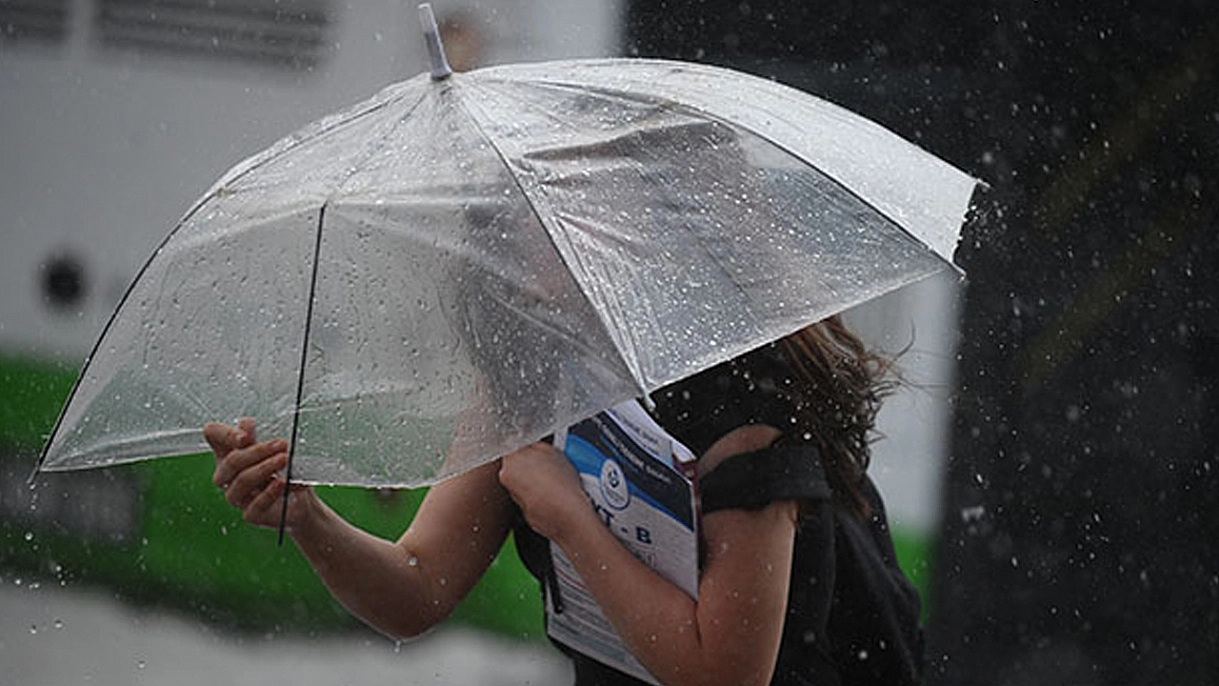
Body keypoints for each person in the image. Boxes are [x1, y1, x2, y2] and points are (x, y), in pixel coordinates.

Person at [205, 315, 923, 686]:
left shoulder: (743, 399)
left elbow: (723, 677)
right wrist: (307, 518)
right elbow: (416, 588)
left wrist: (572, 522)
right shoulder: (529, 370)